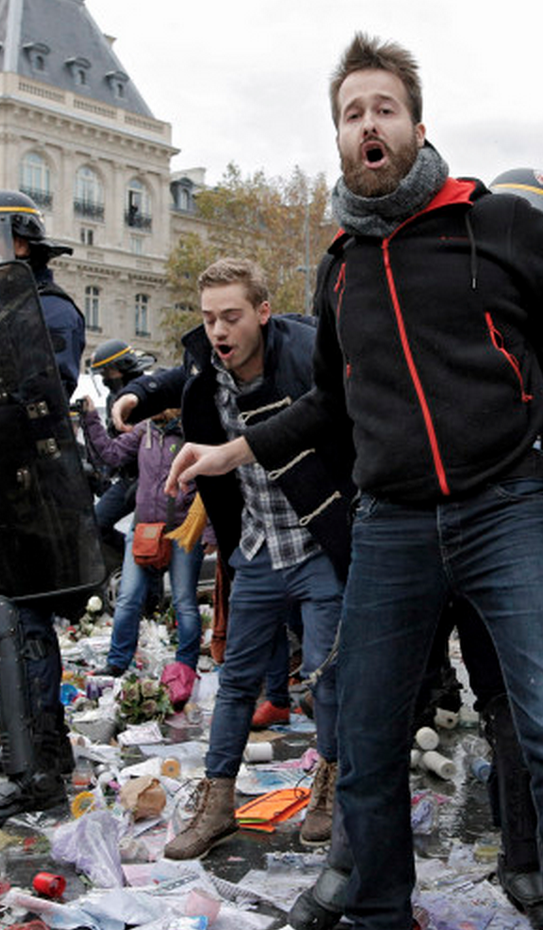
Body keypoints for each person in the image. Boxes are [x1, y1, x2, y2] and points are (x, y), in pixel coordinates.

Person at [165, 35, 543, 930]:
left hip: (506, 507)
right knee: (361, 737)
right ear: (341, 140)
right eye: (352, 114)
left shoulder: (497, 225)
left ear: (416, 124)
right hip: (393, 524)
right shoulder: (342, 268)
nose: (369, 125)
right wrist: (236, 449)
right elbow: (334, 409)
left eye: (383, 108)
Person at [111, 258, 353, 861]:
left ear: (263, 313)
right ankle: (217, 802)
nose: (219, 331)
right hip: (257, 550)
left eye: (232, 317)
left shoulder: (302, 354)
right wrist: (138, 393)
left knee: (326, 678)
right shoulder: (208, 368)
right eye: (209, 318)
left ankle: (331, 789)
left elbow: (327, 407)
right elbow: (176, 375)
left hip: (319, 541)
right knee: (236, 680)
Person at [0, 189, 88, 827]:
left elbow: (39, 407)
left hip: (36, 498)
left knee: (25, 631)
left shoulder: (47, 311)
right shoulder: (8, 313)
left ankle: (36, 776)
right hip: (7, 492)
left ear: (22, 246)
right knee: (16, 627)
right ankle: (42, 753)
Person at [77, 401, 206, 679]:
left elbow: (208, 487)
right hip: (144, 529)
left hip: (183, 529)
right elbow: (110, 455)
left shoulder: (191, 432)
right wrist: (90, 418)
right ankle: (117, 663)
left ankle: (185, 667)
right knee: (128, 598)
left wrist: (208, 533)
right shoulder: (144, 431)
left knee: (184, 601)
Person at [86, 340, 152, 558]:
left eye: (108, 371)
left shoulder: (146, 394)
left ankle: (147, 580)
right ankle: (130, 558)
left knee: (149, 540)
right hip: (128, 477)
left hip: (152, 478)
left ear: (123, 366)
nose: (105, 378)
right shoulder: (112, 398)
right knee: (96, 523)